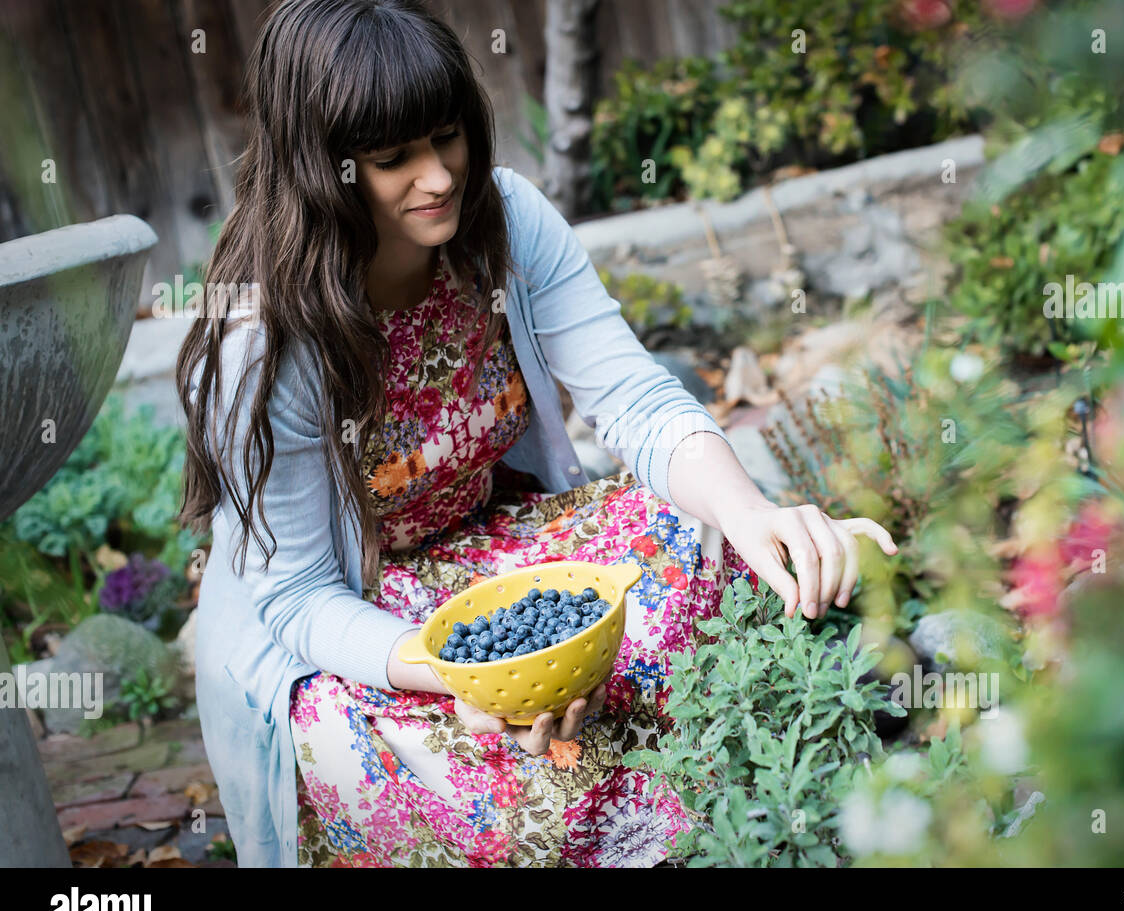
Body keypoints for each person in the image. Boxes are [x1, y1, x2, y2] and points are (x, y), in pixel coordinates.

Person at [176, 0, 896, 867]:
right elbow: (296, 602)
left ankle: (757, 796)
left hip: (495, 549)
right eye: (392, 157)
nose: (438, 176)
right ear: (322, 167)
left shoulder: (504, 221)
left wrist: (753, 516)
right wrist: (467, 679)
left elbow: (633, 398)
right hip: (356, 623)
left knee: (711, 548)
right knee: (472, 776)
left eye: (446, 136)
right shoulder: (266, 339)